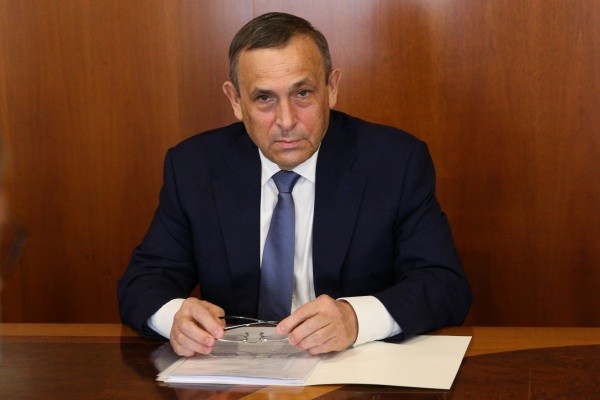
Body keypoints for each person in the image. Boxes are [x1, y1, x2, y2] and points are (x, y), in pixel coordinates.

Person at [117, 12, 472, 357]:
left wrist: (354, 319)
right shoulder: (194, 167)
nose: (286, 121)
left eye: (302, 93)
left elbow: (444, 284)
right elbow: (143, 282)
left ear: (331, 88)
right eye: (264, 98)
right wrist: (176, 319)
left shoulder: (394, 162)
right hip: (235, 374)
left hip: (351, 370)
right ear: (236, 101)